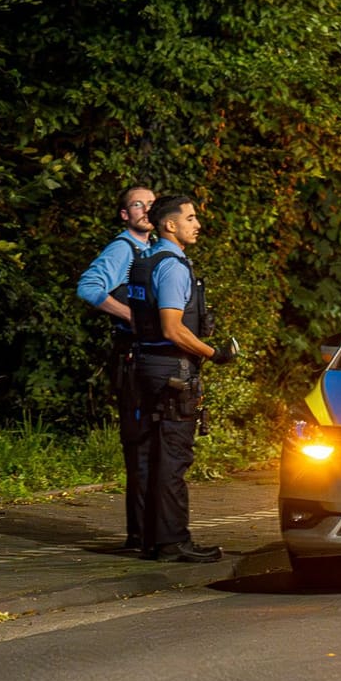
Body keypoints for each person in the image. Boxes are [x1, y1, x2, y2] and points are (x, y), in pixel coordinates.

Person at [124, 194, 233, 564]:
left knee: (151, 456)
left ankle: (149, 538)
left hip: (147, 366)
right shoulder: (172, 266)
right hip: (171, 372)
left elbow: (143, 322)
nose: (196, 224)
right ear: (170, 225)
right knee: (173, 458)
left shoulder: (144, 261)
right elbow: (173, 328)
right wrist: (213, 353)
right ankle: (173, 542)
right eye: (190, 218)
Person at [75, 184, 158, 551]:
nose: (145, 210)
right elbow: (89, 288)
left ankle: (150, 531)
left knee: (154, 449)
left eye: (151, 204)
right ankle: (138, 535)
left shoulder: (150, 250)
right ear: (125, 214)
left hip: (148, 358)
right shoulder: (122, 249)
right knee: (140, 447)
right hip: (132, 361)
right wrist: (133, 317)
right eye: (137, 204)